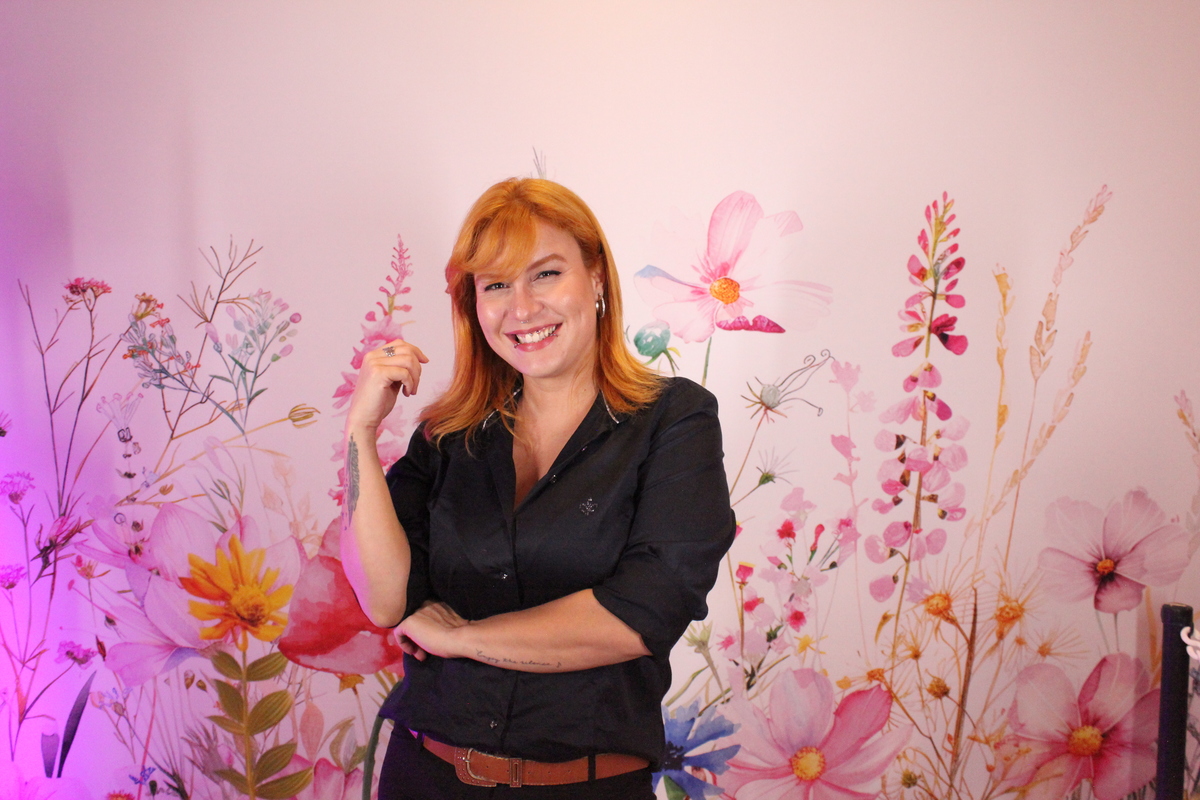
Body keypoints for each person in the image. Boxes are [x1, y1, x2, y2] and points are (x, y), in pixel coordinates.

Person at [342, 178, 735, 798]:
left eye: (545, 274)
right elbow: (385, 601)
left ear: (596, 278)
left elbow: (641, 614)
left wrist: (462, 639)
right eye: (496, 285)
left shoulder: (674, 420)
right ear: (474, 304)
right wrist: (361, 433)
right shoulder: (449, 436)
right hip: (424, 777)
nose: (521, 309)